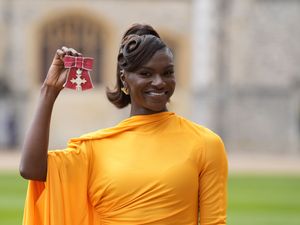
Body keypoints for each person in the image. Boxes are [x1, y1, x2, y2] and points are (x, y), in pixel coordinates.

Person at [20, 23, 228, 225]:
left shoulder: (205, 143)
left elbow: (214, 222)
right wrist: (48, 91)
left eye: (167, 73)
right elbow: (31, 169)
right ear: (124, 79)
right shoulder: (95, 149)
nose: (159, 82)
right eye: (146, 74)